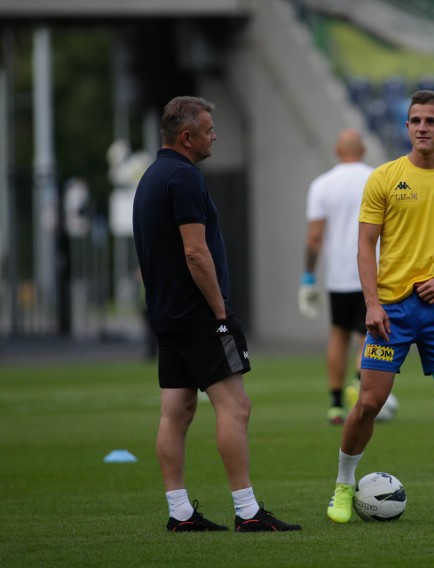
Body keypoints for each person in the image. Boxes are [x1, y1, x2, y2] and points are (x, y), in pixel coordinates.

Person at [132, 96, 301, 533]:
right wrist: (220, 311)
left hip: (167, 316)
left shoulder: (150, 177)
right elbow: (194, 250)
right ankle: (247, 511)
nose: (214, 136)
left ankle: (180, 512)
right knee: (235, 406)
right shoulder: (184, 178)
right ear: (186, 137)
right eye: (208, 130)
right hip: (199, 317)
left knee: (176, 411)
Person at [325, 90, 434, 525]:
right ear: (406, 127)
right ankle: (343, 487)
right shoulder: (383, 177)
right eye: (415, 120)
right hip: (392, 311)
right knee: (368, 402)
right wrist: (372, 304)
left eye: (432, 121)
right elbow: (365, 245)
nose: (422, 127)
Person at [299, 129, 373, 425]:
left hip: (338, 273)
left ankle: (334, 403)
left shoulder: (321, 185)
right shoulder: (377, 177)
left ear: (336, 150)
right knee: (368, 333)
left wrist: (308, 275)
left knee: (339, 334)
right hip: (372, 270)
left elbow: (315, 236)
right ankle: (358, 382)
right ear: (364, 150)